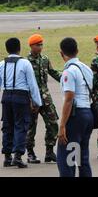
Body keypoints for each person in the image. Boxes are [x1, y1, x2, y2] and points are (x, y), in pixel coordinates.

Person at [1, 38, 42, 168]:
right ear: (19, 48)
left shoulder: (2, 64)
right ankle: (18, 156)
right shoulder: (25, 63)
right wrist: (37, 102)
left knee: (7, 126)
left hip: (6, 96)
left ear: (7, 49)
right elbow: (32, 84)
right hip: (21, 97)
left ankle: (7, 157)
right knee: (21, 125)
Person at [57, 37, 94, 177]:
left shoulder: (69, 71)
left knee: (67, 158)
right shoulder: (86, 69)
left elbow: (69, 98)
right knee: (81, 157)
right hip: (88, 114)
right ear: (77, 51)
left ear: (61, 53)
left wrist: (62, 126)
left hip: (75, 116)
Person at [26, 33, 61, 164]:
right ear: (31, 46)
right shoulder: (26, 62)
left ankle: (49, 151)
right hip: (32, 99)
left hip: (46, 98)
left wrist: (66, 78)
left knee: (53, 123)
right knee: (31, 126)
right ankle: (30, 152)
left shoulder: (45, 59)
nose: (40, 47)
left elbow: (53, 73)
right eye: (37, 45)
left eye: (41, 44)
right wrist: (28, 100)